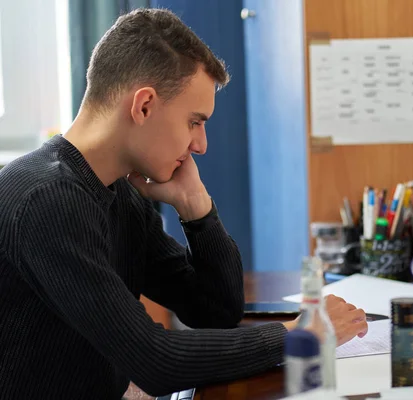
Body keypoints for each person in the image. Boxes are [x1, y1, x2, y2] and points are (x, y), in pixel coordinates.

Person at [0, 8, 368, 399]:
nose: (201, 145)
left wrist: (196, 207)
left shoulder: (119, 194)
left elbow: (216, 312)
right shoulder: (47, 199)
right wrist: (299, 335)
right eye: (194, 121)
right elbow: (154, 361)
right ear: (144, 106)